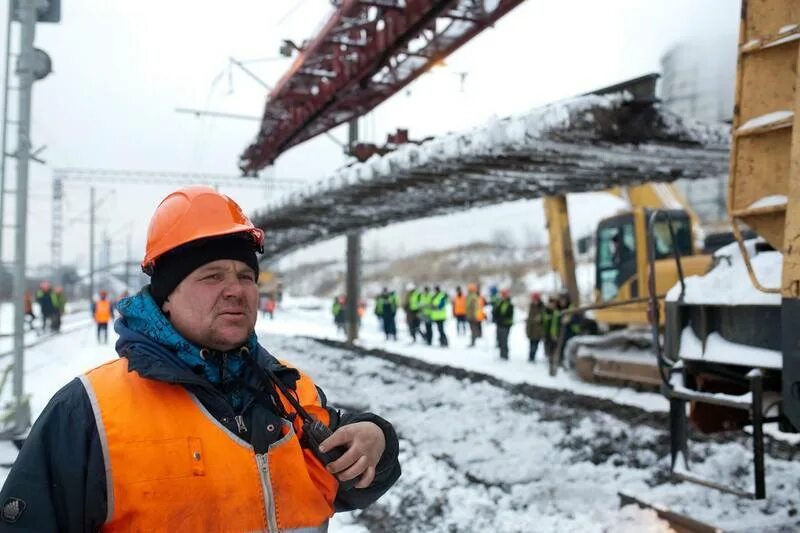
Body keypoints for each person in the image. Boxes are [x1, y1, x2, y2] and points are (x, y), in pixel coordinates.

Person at [0, 186, 400, 530]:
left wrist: (377, 438)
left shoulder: (287, 389)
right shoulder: (88, 413)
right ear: (167, 298)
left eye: (245, 276)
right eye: (212, 276)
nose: (235, 290)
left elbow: (347, 480)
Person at [495, 289, 514, 360]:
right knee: (499, 339)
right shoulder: (500, 302)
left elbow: (509, 315)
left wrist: (501, 318)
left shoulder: (509, 304)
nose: (502, 296)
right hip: (499, 324)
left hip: (505, 325)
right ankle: (501, 354)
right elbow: (496, 312)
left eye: (504, 295)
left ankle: (505, 355)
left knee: (504, 340)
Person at [526, 292, 545, 362]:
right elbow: (529, 319)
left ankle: (532, 358)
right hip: (531, 329)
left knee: (535, 345)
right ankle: (531, 357)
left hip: (538, 331)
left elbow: (544, 318)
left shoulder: (542, 307)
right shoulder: (531, 306)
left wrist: (540, 319)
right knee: (531, 345)